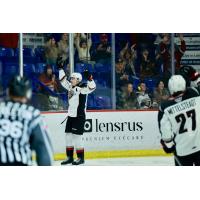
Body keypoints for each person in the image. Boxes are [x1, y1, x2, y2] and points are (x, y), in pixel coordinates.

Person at [0, 76, 53, 166]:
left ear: (8, 92)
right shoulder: (32, 114)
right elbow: (42, 147)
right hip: (21, 163)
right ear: (28, 93)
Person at [158, 75, 200, 166]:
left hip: (182, 150)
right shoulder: (196, 94)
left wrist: (168, 145)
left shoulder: (166, 108)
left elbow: (166, 135)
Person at [59, 67, 96, 165]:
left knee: (77, 138)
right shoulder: (70, 86)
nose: (70, 80)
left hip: (79, 116)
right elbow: (62, 81)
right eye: (70, 78)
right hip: (70, 116)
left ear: (78, 80)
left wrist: (90, 79)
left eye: (72, 78)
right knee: (68, 136)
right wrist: (60, 69)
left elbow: (92, 88)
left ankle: (80, 158)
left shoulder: (82, 89)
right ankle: (69, 157)